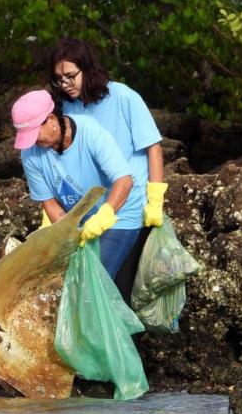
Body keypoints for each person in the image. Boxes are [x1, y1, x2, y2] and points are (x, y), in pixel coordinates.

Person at [46, 38, 166, 304]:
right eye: (58, 79)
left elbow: (153, 147)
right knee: (98, 288)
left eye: (70, 76)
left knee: (115, 286)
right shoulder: (65, 108)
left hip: (127, 206)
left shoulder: (123, 96)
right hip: (90, 212)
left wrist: (155, 199)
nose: (65, 84)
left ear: (87, 68)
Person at [12, 89, 145, 281]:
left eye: (34, 134)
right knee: (68, 280)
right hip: (81, 225)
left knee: (93, 279)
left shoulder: (89, 131)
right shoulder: (30, 154)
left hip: (120, 215)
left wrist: (103, 217)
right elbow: (50, 204)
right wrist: (69, 232)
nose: (33, 142)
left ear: (51, 119)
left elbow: (124, 181)